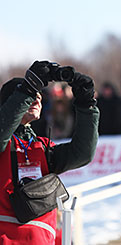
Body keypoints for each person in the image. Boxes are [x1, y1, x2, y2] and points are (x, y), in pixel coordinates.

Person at [0, 60, 99, 244]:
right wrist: (27, 88)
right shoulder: (4, 141)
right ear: (11, 102)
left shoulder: (43, 146)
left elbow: (83, 153)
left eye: (38, 95)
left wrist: (86, 105)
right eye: (30, 96)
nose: (37, 99)